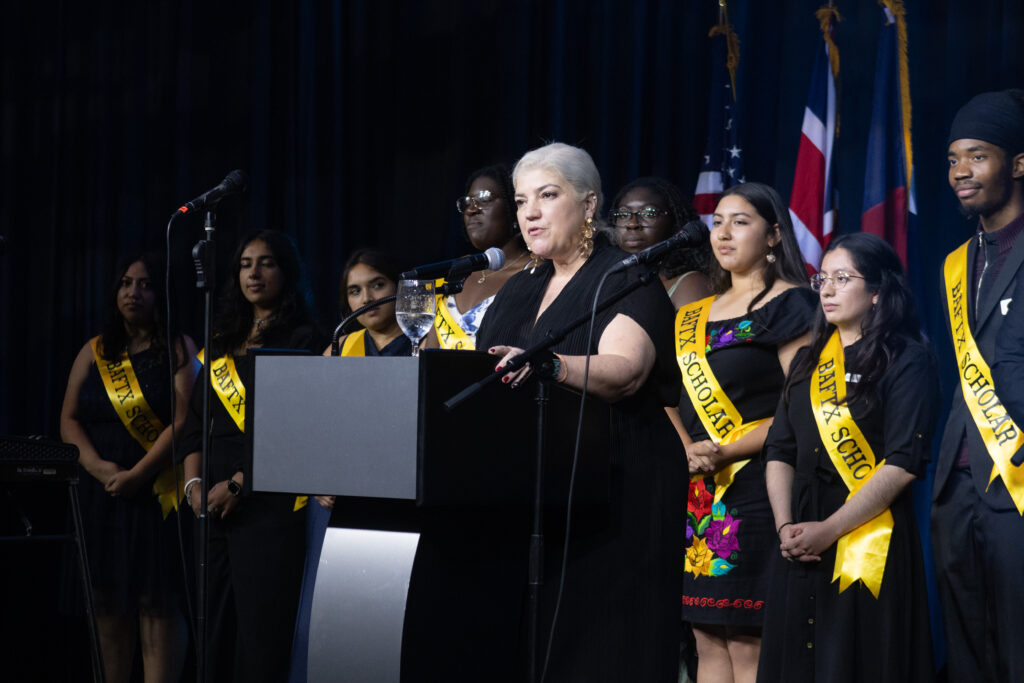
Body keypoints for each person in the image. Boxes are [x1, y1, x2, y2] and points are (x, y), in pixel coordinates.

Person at [478, 142, 683, 681]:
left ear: (589, 204)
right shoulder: (519, 286)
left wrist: (551, 367)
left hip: (616, 489)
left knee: (602, 649)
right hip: (530, 490)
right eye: (522, 201)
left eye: (548, 195)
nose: (530, 213)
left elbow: (626, 369)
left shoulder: (624, 276)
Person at [758, 233, 937, 682]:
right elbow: (779, 449)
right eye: (823, 279)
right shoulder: (806, 360)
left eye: (843, 278)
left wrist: (830, 530)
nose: (828, 289)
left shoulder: (906, 359)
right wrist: (785, 527)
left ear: (877, 290)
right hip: (799, 536)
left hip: (866, 538)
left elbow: (903, 461)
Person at [677, 182, 816, 683]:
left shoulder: (794, 304)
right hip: (699, 492)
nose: (724, 233)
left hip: (757, 486)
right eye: (717, 222)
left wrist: (727, 449)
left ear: (774, 234)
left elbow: (799, 404)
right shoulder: (693, 314)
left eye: (740, 222)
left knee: (746, 639)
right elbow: (672, 398)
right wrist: (688, 449)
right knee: (706, 637)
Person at [179, 230, 326, 683]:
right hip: (210, 507)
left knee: (261, 640)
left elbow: (299, 430)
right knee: (212, 634)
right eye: (245, 264)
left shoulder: (305, 338)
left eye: (266, 263)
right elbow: (193, 426)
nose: (254, 273)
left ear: (286, 272)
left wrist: (240, 483)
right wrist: (193, 485)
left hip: (266, 501)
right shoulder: (221, 339)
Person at [59, 253, 196, 683]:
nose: (132, 292)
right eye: (125, 283)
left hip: (154, 493)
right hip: (100, 494)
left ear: (160, 294)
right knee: (107, 604)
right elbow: (69, 419)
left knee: (157, 605)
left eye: (144, 284)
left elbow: (184, 421)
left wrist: (138, 474)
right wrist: (98, 467)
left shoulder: (178, 347)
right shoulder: (96, 350)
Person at [932, 88, 1024, 682]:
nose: (960, 172)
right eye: (951, 159)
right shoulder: (958, 261)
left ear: (1018, 164)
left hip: (1017, 486)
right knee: (967, 651)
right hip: (957, 484)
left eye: (977, 156)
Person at [288, 248, 411, 683]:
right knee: (324, 619)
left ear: (399, 288)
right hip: (333, 502)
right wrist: (318, 475)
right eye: (354, 291)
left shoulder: (425, 343)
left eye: (377, 285)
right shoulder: (341, 346)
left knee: (384, 625)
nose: (366, 299)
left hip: (397, 503)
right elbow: (306, 425)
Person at [430, 164, 530, 350]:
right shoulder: (457, 272)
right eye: (467, 202)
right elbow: (429, 353)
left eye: (485, 199)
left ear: (515, 206)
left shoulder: (538, 272)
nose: (471, 210)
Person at [609, 176, 713, 309]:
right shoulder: (611, 281)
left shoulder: (691, 284)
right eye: (623, 214)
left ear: (674, 222)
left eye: (649, 213)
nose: (632, 223)